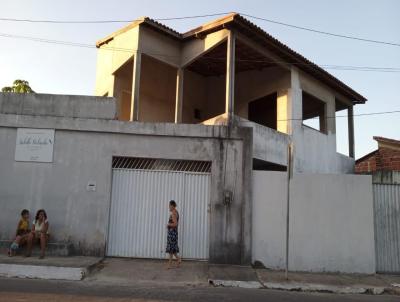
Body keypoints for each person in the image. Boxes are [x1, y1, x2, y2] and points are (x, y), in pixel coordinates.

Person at [166, 200, 181, 269]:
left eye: (169, 205)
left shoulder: (174, 213)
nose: (169, 207)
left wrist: (169, 224)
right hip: (173, 233)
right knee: (173, 249)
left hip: (172, 233)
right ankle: (178, 260)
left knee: (171, 250)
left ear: (172, 206)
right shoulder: (175, 212)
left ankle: (169, 265)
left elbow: (175, 224)